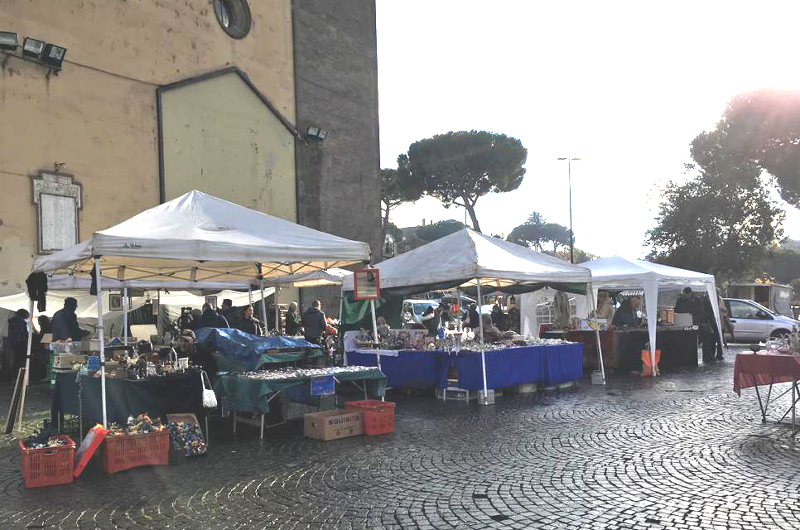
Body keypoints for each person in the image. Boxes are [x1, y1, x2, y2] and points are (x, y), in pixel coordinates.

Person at [6, 309, 29, 379]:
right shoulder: (21, 322)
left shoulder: (12, 321)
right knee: (18, 360)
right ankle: (16, 377)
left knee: (14, 360)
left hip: (12, 343)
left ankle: (11, 377)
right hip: (19, 344)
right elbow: (22, 334)